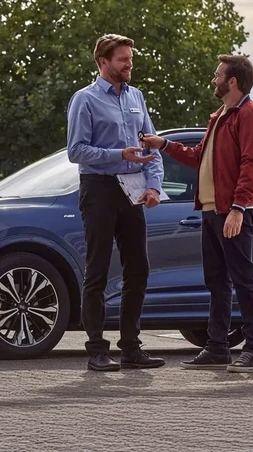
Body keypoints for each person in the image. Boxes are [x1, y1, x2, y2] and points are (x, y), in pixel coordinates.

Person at [140, 54, 253, 373]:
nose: (213, 80)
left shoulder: (250, 116)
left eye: (217, 75)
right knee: (216, 280)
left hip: (233, 211)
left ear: (232, 82)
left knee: (243, 278)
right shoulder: (221, 116)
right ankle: (217, 347)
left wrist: (239, 208)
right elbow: (199, 156)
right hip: (212, 211)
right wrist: (164, 145)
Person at [66, 33, 166, 372]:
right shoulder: (85, 100)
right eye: (123, 59)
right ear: (103, 62)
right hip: (99, 188)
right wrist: (117, 155)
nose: (129, 64)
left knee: (138, 269)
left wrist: (153, 187)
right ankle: (96, 349)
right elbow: (76, 151)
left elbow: (151, 148)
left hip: (133, 189)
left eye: (130, 58)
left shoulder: (137, 97)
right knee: (96, 269)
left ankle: (131, 348)